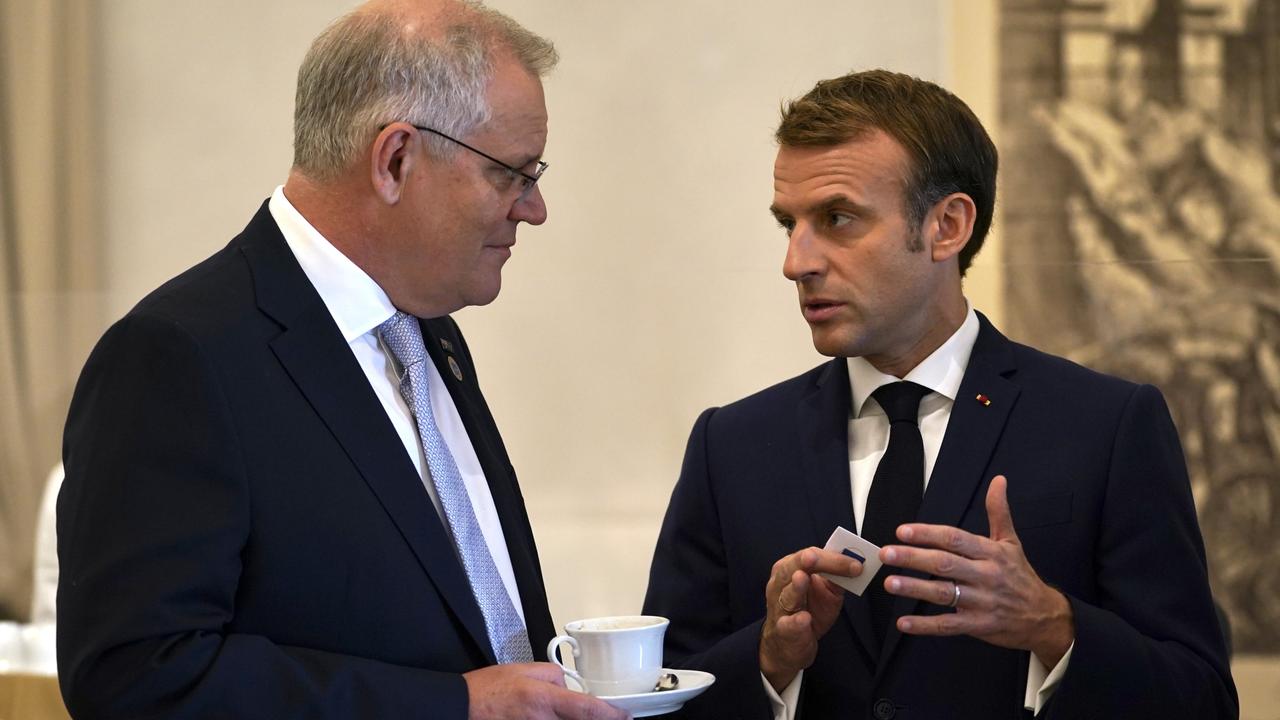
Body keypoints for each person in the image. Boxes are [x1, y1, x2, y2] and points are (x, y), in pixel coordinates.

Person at [57, 2, 626, 719]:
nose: (533, 208)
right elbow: (138, 677)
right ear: (395, 160)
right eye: (512, 175)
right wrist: (452, 708)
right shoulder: (178, 357)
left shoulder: (430, 335)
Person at [643, 69, 1237, 719]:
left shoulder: (1107, 427)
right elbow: (659, 692)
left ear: (947, 226)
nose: (797, 261)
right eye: (791, 224)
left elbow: (1201, 699)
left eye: (837, 218)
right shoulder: (732, 446)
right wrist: (767, 660)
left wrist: (1054, 627)